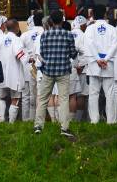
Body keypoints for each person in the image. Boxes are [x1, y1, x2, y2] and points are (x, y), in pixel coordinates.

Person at [33, 9, 77, 138]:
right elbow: (73, 54)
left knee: (42, 98)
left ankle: (38, 126)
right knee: (63, 99)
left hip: (48, 70)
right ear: (63, 20)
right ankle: (64, 127)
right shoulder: (68, 35)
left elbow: (43, 54)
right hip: (63, 70)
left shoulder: (45, 35)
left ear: (51, 21)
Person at [84, 4, 117, 124]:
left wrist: (98, 59)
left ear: (92, 14)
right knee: (110, 94)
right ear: (105, 14)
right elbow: (115, 45)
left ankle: (94, 120)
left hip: (95, 64)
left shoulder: (90, 29)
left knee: (94, 94)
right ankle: (111, 121)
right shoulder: (112, 29)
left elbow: (89, 44)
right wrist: (106, 58)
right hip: (107, 64)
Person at [0, 19, 25, 123]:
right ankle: (11, 123)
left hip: (0, 73)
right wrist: (29, 61)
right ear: (17, 27)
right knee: (15, 98)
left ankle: (2, 120)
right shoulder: (16, 39)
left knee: (1, 97)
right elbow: (20, 54)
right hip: (14, 73)